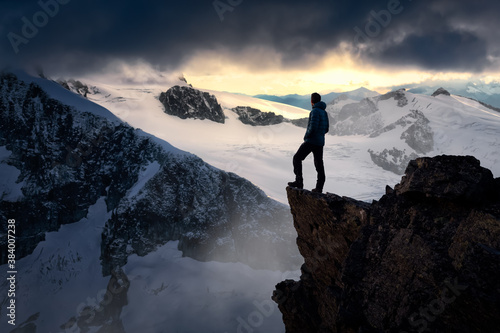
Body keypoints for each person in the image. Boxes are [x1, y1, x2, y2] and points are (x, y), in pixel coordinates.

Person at [288, 92, 329, 193]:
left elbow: (313, 127)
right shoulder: (324, 112)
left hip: (311, 141)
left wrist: (307, 136)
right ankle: (319, 188)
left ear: (312, 101)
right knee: (319, 164)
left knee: (297, 158)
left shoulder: (315, 111)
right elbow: (326, 129)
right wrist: (320, 135)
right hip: (320, 142)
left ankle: (299, 182)